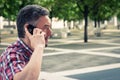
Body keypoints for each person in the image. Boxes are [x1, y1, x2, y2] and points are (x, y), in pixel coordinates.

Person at [0, 5, 52, 80]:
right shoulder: (12, 54)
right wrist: (39, 47)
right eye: (46, 27)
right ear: (29, 29)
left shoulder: (28, 52)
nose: (50, 33)